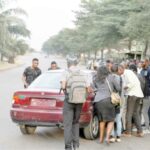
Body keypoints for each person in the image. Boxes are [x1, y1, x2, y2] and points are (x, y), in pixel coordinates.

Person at [61, 57, 91, 150]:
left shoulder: (65, 72)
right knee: (76, 122)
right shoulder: (82, 73)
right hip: (80, 101)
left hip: (69, 101)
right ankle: (76, 145)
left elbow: (63, 86)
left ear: (68, 63)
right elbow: (88, 88)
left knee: (67, 124)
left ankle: (68, 146)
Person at [92, 65, 121, 144]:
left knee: (102, 120)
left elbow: (93, 88)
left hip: (98, 101)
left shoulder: (95, 78)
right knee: (111, 120)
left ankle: (100, 139)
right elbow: (118, 88)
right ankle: (107, 137)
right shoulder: (111, 77)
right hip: (108, 100)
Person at [118, 64, 144, 137]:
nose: (118, 72)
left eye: (118, 70)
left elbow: (131, 83)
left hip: (133, 94)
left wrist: (125, 87)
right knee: (135, 113)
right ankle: (140, 131)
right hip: (139, 94)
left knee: (129, 113)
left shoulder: (127, 73)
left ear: (121, 69)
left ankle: (128, 132)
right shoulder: (128, 73)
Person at [141, 59, 150, 133]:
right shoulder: (142, 70)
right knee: (145, 110)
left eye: (143, 62)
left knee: (145, 111)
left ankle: (147, 127)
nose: (142, 63)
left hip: (147, 93)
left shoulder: (148, 70)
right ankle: (145, 124)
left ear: (147, 62)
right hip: (143, 92)